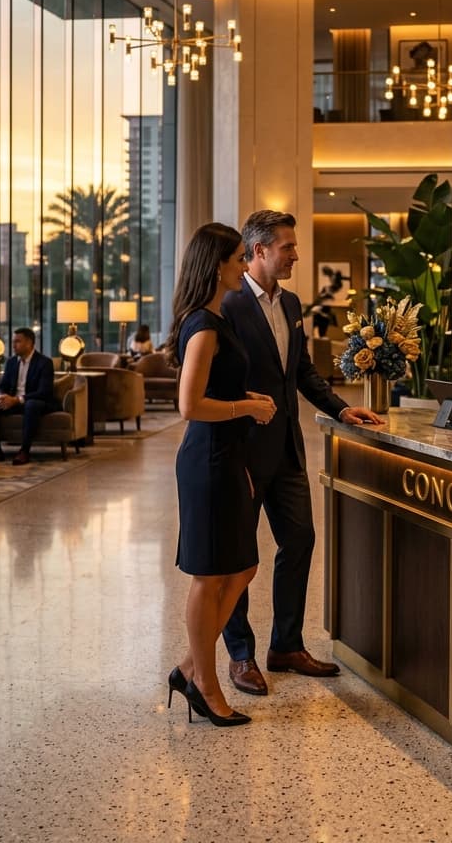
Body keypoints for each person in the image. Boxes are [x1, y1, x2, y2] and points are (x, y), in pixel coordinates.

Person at [220, 210, 384, 697]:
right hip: (243, 452)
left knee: (301, 541)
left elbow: (302, 372)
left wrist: (342, 409)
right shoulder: (227, 305)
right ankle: (241, 654)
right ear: (259, 251)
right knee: (238, 556)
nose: (296, 254)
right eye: (288, 247)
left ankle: (286, 646)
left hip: (288, 448)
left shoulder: (291, 302)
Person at [164, 222, 276, 728]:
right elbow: (189, 405)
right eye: (236, 259)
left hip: (227, 458)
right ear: (216, 266)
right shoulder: (204, 326)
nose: (242, 265)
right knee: (210, 576)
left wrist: (244, 420)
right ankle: (205, 686)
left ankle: (190, 666)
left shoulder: (215, 317)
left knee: (243, 566)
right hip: (208, 460)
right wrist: (246, 408)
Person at [0, 327, 56, 467]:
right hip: (14, 402)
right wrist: (1, 396)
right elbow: (3, 385)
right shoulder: (12, 362)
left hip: (36, 402)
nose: (13, 345)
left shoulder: (44, 363)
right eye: (13, 342)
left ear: (29, 343)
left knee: (31, 405)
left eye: (17, 342)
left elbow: (44, 392)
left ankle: (24, 451)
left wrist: (17, 399)